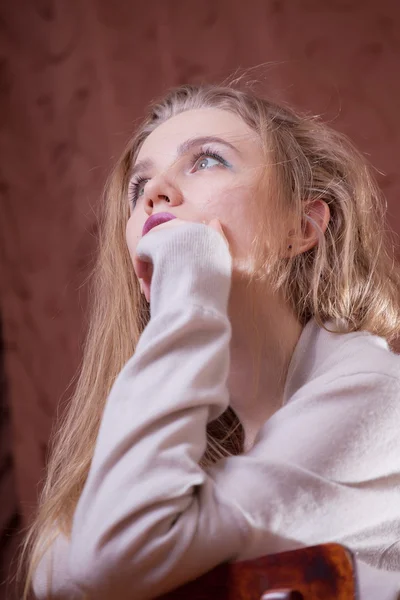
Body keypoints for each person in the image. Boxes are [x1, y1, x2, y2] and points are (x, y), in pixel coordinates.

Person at [17, 82, 400, 599]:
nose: (156, 193)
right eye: (139, 187)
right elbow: (55, 574)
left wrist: (187, 283)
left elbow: (114, 557)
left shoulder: (375, 393)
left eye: (206, 162)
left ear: (301, 226)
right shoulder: (203, 450)